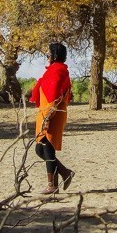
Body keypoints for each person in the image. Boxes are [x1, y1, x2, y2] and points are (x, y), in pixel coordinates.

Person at [30, 42, 75, 195]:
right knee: (40, 149)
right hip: (46, 112)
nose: (47, 57)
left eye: (48, 54)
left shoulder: (58, 71)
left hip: (53, 112)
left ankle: (52, 185)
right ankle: (64, 173)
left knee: (47, 147)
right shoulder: (53, 71)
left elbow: (55, 95)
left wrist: (49, 116)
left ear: (55, 55)